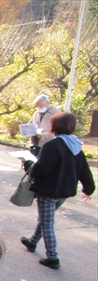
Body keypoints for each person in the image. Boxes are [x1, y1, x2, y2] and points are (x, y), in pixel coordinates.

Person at [20, 111, 95, 269]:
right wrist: (89, 188)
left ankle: (52, 258)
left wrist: (27, 164)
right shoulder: (76, 146)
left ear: (55, 126)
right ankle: (32, 242)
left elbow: (42, 169)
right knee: (46, 219)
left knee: (47, 223)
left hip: (48, 191)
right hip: (64, 192)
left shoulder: (52, 145)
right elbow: (84, 170)